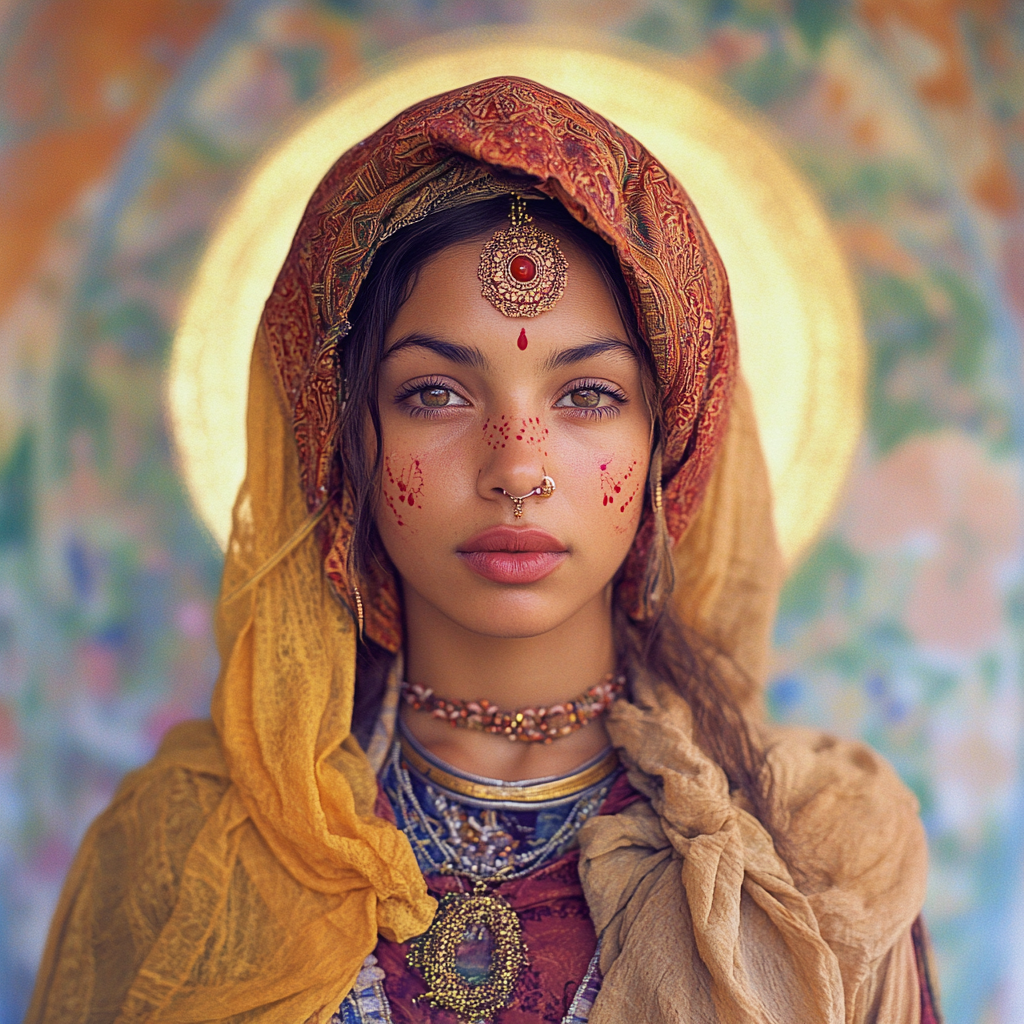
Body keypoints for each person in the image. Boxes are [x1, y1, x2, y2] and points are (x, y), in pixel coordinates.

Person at [26, 77, 941, 1024]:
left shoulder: (817, 854)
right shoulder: (185, 848)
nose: (516, 469)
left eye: (588, 395)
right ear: (340, 437)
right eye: (435, 394)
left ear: (672, 442)